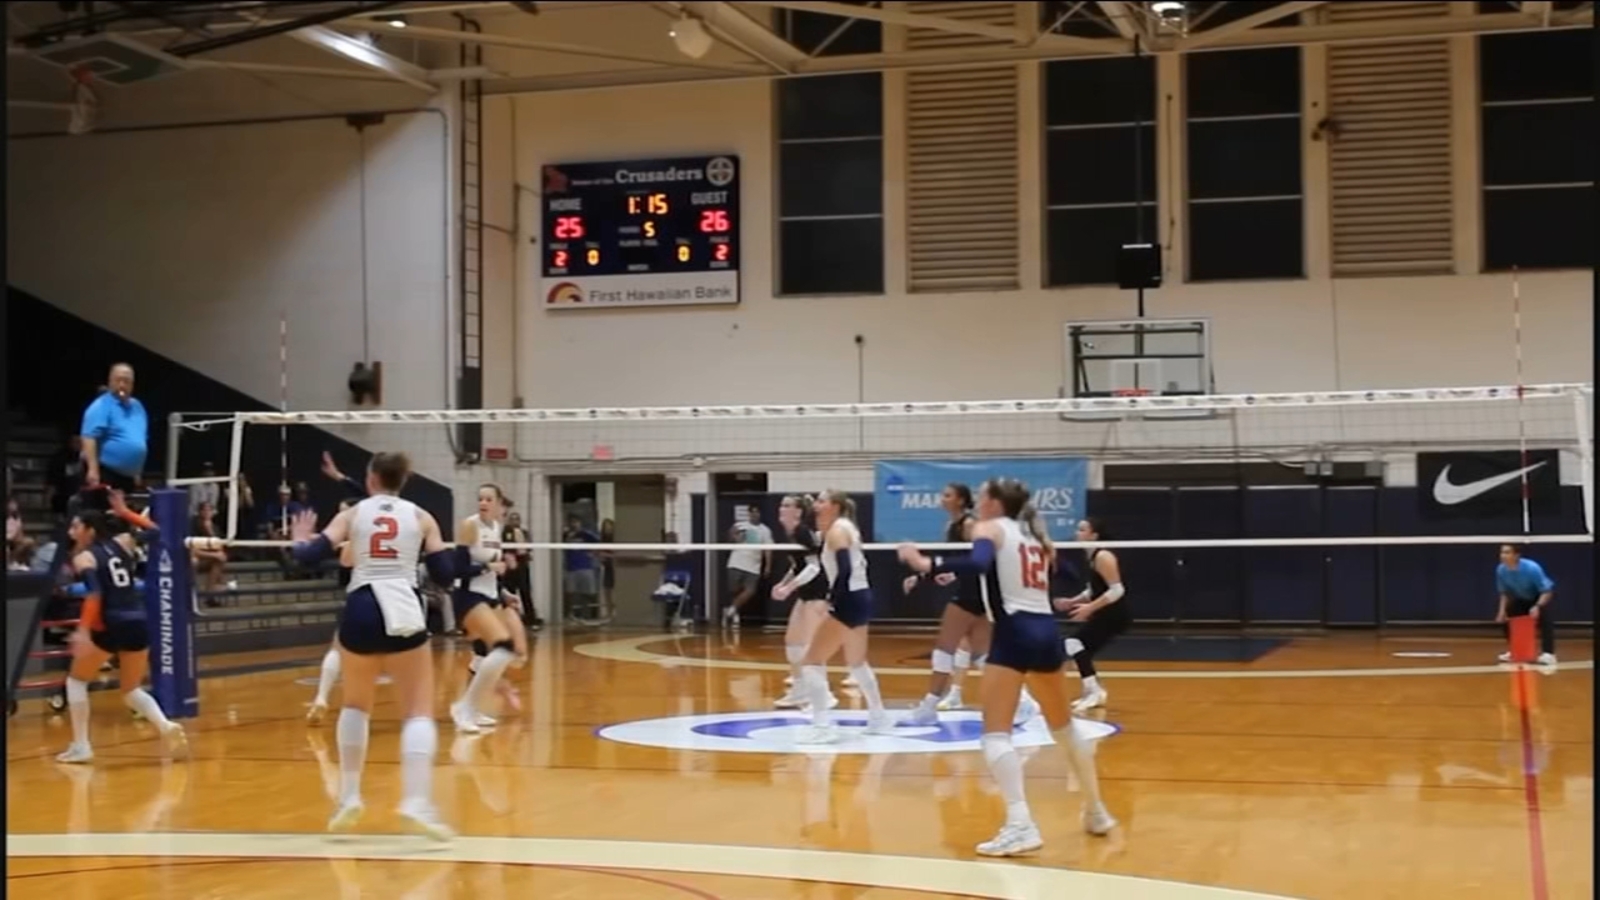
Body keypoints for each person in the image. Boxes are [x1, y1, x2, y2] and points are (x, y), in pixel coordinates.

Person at [899, 478, 1116, 856]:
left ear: (996, 503)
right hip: (1046, 630)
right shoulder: (1032, 536)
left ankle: (1021, 825)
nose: (979, 502)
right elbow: (1063, 572)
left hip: (1014, 631)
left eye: (983, 496)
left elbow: (980, 561)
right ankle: (1096, 810)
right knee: (1063, 727)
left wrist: (926, 562)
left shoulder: (989, 528)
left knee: (995, 735)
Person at [286, 451, 458, 841]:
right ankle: (415, 801)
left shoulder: (354, 513)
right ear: (404, 479)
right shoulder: (421, 516)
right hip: (403, 606)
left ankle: (348, 797)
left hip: (362, 605)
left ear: (371, 479)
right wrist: (450, 550)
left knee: (355, 705)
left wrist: (299, 542)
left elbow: (309, 557)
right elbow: (445, 576)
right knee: (417, 713)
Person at [55, 491, 189, 764]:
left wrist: (82, 631)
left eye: (76, 527)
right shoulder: (124, 542)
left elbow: (94, 595)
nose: (72, 531)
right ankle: (165, 726)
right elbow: (155, 531)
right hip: (138, 621)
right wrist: (125, 511)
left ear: (89, 530)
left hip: (111, 623)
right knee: (130, 689)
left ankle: (82, 745)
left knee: (76, 680)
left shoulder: (84, 559)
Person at [905, 483, 1039, 726]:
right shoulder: (952, 526)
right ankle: (1023, 700)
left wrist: (932, 567)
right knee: (981, 655)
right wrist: (925, 576)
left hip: (973, 594)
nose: (942, 498)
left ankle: (929, 706)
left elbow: (979, 560)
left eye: (947, 495)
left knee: (944, 648)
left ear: (960, 500)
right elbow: (961, 559)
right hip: (974, 592)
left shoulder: (970, 525)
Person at [794, 489, 892, 743]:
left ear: (835, 506)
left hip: (849, 598)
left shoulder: (837, 531)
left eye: (822, 501)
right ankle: (878, 716)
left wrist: (832, 600)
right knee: (857, 662)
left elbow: (845, 570)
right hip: (862, 596)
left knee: (811, 662)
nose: (816, 505)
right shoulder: (845, 527)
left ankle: (822, 726)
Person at [449, 484, 525, 733]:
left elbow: (494, 567)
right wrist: (489, 569)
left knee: (483, 657)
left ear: (498, 504)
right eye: (480, 498)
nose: (483, 503)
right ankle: (464, 707)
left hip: (490, 595)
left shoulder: (496, 528)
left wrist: (504, 594)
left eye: (488, 499)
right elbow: (458, 569)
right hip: (468, 596)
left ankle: (473, 707)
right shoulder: (469, 526)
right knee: (504, 649)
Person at [769, 494, 837, 711]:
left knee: (811, 646)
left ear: (798, 512)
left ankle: (824, 696)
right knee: (793, 642)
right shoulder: (791, 534)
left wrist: (789, 588)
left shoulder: (801, 531)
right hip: (805, 593)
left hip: (817, 593)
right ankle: (799, 691)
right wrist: (782, 583)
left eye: (787, 505)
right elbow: (797, 566)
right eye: (782, 504)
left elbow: (813, 567)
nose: (782, 508)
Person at [1055, 516, 1130, 712]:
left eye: (1082, 530)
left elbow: (1116, 590)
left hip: (1114, 614)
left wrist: (1090, 608)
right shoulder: (1091, 556)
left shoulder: (1103, 556)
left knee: (1074, 644)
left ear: (1094, 535)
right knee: (1079, 648)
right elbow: (1094, 589)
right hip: (1105, 613)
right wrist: (1072, 601)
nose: (1077, 533)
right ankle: (1093, 690)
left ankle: (1094, 691)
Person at [79, 363, 148, 500]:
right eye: (118, 380)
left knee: (122, 518)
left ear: (132, 384)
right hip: (105, 472)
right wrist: (93, 469)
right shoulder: (101, 405)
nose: (122, 385)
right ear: (110, 382)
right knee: (101, 516)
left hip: (128, 476)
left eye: (126, 381)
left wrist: (137, 472)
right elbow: (89, 437)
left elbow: (141, 438)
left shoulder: (138, 406)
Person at [1495, 544, 1557, 665]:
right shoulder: (1501, 570)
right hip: (1521, 598)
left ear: (1516, 555)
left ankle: (1549, 654)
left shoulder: (1532, 568)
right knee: (1507, 618)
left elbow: (1547, 591)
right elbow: (1504, 593)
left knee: (1545, 620)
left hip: (1539, 597)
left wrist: (1537, 606)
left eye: (1507, 552)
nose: (1503, 555)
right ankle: (1516, 651)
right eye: (1502, 552)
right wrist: (1501, 612)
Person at [723, 504, 773, 629]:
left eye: (757, 512)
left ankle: (731, 609)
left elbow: (768, 550)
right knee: (734, 590)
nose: (755, 514)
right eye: (752, 512)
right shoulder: (740, 526)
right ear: (749, 514)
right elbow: (729, 537)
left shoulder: (765, 530)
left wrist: (768, 566)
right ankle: (734, 612)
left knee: (750, 590)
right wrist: (734, 535)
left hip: (753, 566)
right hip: (737, 563)